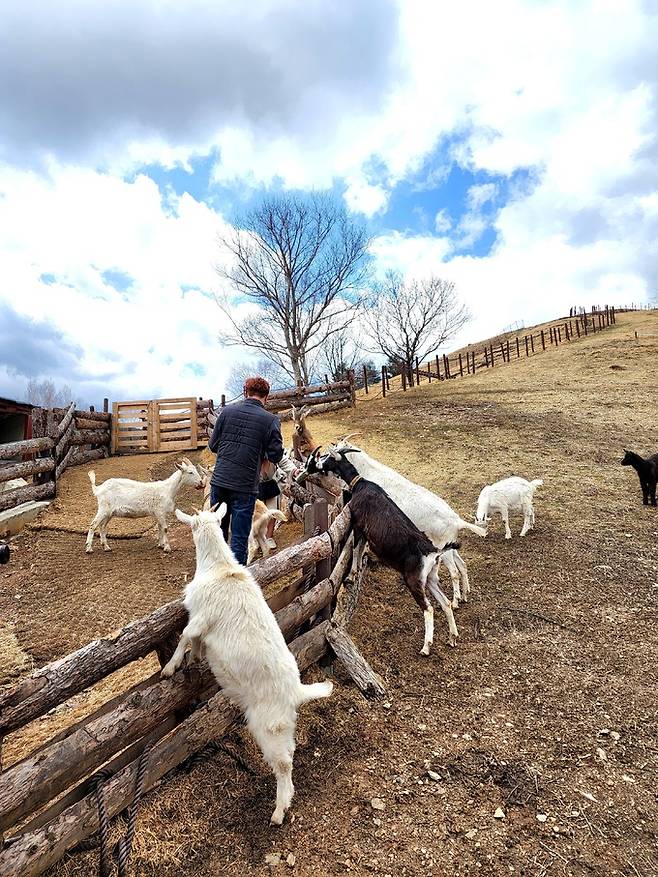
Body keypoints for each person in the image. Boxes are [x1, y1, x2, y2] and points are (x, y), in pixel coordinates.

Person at [208, 376, 284, 564]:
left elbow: (213, 445)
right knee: (240, 538)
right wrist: (259, 453)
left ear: (245, 392)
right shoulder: (270, 420)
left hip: (220, 481)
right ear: (266, 397)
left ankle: (216, 572)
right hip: (245, 485)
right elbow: (276, 454)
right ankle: (236, 581)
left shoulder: (226, 412)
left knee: (218, 531)